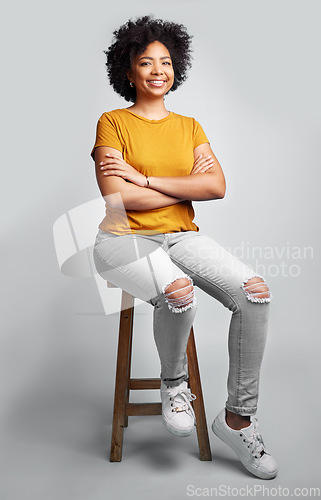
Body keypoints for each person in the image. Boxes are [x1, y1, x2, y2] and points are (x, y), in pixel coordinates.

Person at [91, 15, 277, 480]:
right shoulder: (112, 123)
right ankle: (175, 384)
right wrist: (185, 186)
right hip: (121, 239)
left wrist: (146, 178)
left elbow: (217, 186)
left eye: (167, 62)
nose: (158, 70)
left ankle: (238, 418)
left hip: (182, 236)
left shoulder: (190, 126)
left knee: (255, 291)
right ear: (128, 72)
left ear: (177, 68)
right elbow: (119, 198)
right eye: (146, 62)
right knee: (177, 291)